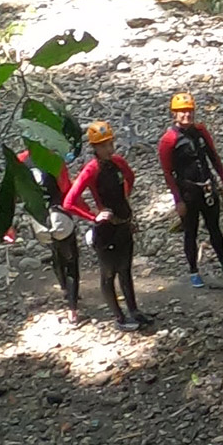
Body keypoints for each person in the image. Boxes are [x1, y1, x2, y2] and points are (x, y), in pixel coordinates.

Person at [63, 120, 150, 330]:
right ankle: (119, 318)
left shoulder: (119, 162)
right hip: (106, 231)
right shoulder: (90, 170)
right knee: (108, 274)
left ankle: (134, 311)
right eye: (103, 146)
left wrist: (125, 200)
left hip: (124, 225)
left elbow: (130, 177)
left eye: (110, 143)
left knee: (125, 270)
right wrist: (94, 216)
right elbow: (69, 202)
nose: (108, 149)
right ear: (94, 148)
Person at [158, 92, 223, 288]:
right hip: (188, 192)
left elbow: (213, 156)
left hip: (208, 188)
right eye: (182, 112)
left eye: (189, 111)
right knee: (190, 232)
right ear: (174, 114)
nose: (187, 115)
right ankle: (194, 270)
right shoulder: (169, 140)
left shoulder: (201, 131)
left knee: (215, 228)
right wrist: (178, 200)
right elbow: (168, 173)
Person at [14, 144, 82, 317]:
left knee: (55, 251)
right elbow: (65, 188)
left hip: (39, 220)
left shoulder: (20, 160)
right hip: (58, 215)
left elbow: (17, 191)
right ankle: (73, 310)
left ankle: (64, 288)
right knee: (71, 258)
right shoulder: (54, 158)